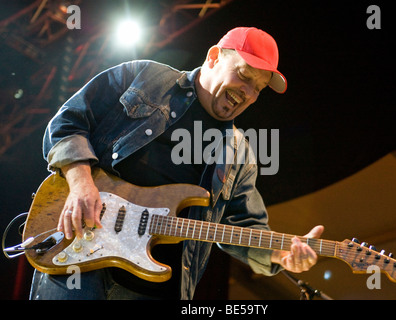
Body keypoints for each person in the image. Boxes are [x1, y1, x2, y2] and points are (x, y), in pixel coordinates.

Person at [29, 27, 324, 300]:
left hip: (154, 291)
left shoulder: (239, 156)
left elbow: (243, 226)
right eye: (244, 75)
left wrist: (280, 254)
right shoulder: (146, 76)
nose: (248, 92)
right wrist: (81, 183)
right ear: (213, 57)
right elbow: (69, 121)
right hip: (78, 255)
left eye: (258, 88)